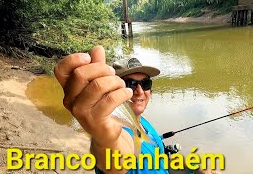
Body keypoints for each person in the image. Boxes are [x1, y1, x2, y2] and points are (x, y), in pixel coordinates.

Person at [54, 46, 219, 174]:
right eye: (130, 84)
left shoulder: (142, 122)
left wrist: (193, 169)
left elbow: (160, 163)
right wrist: (104, 137)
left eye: (146, 84)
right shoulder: (117, 130)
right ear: (112, 90)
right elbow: (114, 159)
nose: (140, 91)